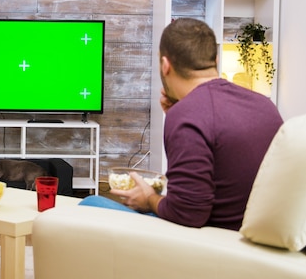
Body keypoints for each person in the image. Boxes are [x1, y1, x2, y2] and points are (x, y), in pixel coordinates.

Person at [79, 18, 283, 231]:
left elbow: (188, 213)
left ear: (165, 65)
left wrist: (149, 199)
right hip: (250, 231)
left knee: (89, 204)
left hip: (212, 240)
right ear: (215, 58)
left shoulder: (187, 115)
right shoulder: (263, 104)